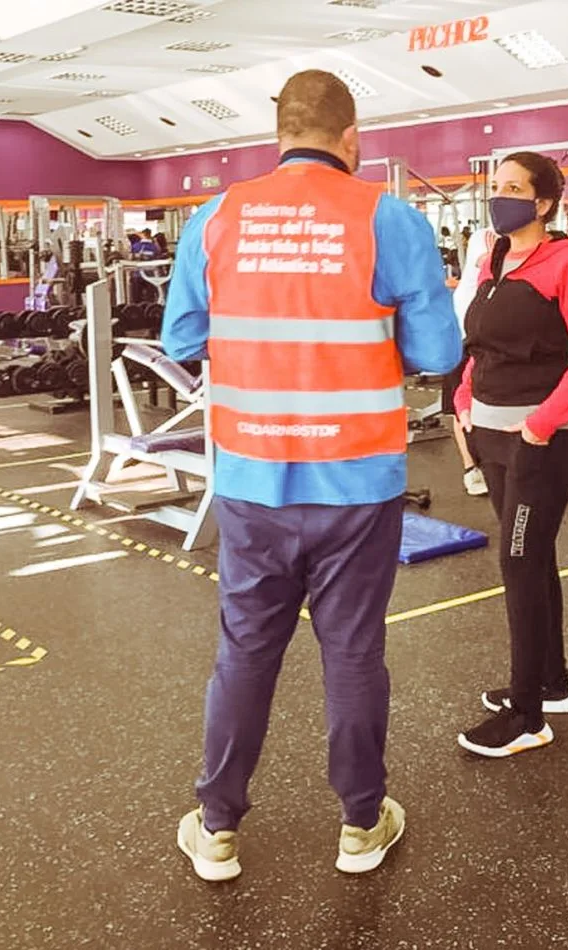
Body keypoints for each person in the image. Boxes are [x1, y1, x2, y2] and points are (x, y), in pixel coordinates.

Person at [162, 69, 462, 882]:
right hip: (358, 482)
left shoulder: (217, 217)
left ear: (280, 133)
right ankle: (362, 825)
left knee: (245, 652)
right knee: (354, 651)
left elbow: (182, 338)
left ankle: (217, 827)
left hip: (255, 479)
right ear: (352, 138)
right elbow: (439, 355)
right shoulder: (389, 218)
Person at [452, 151, 568, 759]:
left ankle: (527, 717)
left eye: (514, 188)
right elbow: (481, 344)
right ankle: (552, 684)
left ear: (543, 203)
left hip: (540, 439)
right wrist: (466, 394)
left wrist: (541, 425)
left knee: (518, 561)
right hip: (490, 430)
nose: (501, 197)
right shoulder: (496, 259)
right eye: (497, 187)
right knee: (533, 555)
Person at [443, 226, 498, 496]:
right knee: (461, 405)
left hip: (491, 337)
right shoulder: (485, 236)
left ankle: (492, 465)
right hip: (462, 337)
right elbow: (486, 261)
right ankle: (470, 469)